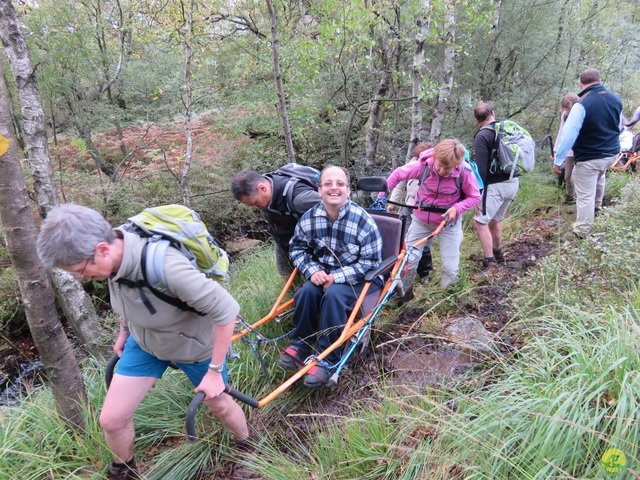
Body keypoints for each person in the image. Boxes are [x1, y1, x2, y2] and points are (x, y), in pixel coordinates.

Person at [36, 204, 249, 480]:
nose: (78, 278)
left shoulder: (167, 267)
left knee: (218, 403)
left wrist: (215, 372)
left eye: (78, 271)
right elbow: (130, 297)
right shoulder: (113, 256)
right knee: (111, 420)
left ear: (102, 248)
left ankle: (247, 446)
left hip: (193, 345)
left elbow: (226, 311)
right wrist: (125, 331)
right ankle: (124, 471)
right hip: (144, 342)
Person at [278, 166, 383, 388]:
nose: (334, 188)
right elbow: (297, 250)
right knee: (306, 290)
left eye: (340, 184)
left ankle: (328, 359)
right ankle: (301, 343)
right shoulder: (308, 219)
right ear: (319, 190)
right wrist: (312, 270)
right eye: (328, 184)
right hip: (323, 273)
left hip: (361, 279)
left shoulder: (363, 221)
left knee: (334, 295)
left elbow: (371, 263)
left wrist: (337, 276)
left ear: (348, 191)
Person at [385, 139, 481, 298]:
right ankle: (403, 297)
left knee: (450, 267)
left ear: (456, 164)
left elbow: (474, 197)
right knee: (407, 262)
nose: (442, 170)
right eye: (440, 165)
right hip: (420, 222)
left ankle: (447, 301)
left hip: (449, 226)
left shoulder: (465, 172)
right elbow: (397, 175)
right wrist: (382, 197)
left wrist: (456, 208)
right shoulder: (422, 166)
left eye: (447, 168)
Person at [553, 68, 623, 238]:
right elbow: (619, 126)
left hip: (590, 156)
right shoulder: (616, 99)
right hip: (611, 154)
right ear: (600, 79)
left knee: (584, 194)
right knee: (599, 178)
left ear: (581, 84)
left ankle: (582, 232)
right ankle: (598, 210)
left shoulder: (581, 104)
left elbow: (568, 134)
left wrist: (558, 159)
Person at [231, 168, 321, 277]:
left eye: (254, 203)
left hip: (312, 252)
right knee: (288, 282)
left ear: (262, 188)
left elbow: (338, 211)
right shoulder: (267, 187)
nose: (254, 208)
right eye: (250, 205)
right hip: (284, 244)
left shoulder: (299, 199)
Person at [472, 102, 521, 274]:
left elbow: (481, 168)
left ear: (477, 120)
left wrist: (478, 192)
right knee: (494, 220)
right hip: (513, 181)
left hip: (495, 186)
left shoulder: (482, 135)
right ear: (493, 112)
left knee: (479, 222)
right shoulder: (506, 129)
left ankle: (490, 263)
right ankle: (499, 254)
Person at [387, 142, 434, 284]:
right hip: (408, 206)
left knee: (424, 244)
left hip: (426, 210)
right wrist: (391, 202)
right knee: (404, 241)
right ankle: (402, 274)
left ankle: (424, 273)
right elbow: (399, 183)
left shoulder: (434, 167)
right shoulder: (413, 164)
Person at [554, 92, 580, 204]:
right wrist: (557, 150)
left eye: (567, 106)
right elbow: (562, 132)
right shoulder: (564, 115)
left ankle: (579, 197)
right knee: (568, 175)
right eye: (564, 107)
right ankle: (570, 196)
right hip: (568, 149)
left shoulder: (581, 112)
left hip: (580, 148)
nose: (566, 109)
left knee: (579, 175)